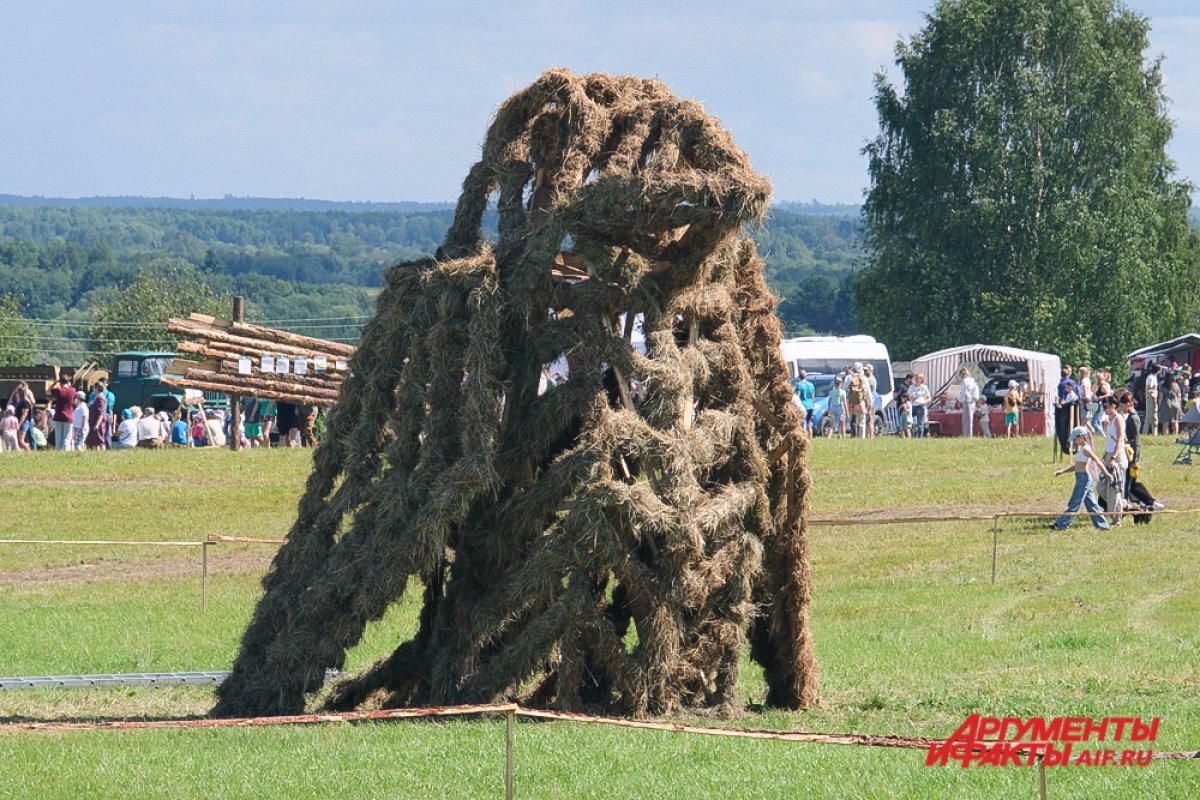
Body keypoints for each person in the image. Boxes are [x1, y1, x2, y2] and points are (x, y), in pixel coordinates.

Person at [1051, 426, 1113, 531]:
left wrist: (1107, 474)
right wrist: (1063, 471)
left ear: (1081, 437)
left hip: (1084, 478)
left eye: (1075, 439)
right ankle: (1103, 525)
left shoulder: (1086, 449)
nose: (1074, 441)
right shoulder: (1083, 450)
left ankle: (1061, 524)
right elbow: (1077, 466)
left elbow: (1097, 461)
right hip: (1081, 477)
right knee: (1091, 504)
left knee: (1075, 501)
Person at [1099, 396, 1127, 526]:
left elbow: (1120, 439)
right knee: (1101, 487)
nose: (1105, 407)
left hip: (1117, 456)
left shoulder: (1118, 418)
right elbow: (1111, 440)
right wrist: (1105, 455)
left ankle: (1117, 520)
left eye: (1106, 405)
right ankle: (1124, 505)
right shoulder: (1110, 420)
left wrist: (1114, 457)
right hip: (1109, 455)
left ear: (1113, 406)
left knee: (1114, 489)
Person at [1054, 366, 1079, 455]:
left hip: (1065, 410)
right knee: (1074, 427)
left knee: (1063, 429)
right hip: (1075, 408)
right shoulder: (1074, 382)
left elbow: (1061, 398)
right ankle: (1076, 446)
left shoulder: (1061, 384)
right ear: (1068, 373)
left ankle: (1066, 447)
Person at [49, 376, 76, 451]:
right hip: (68, 417)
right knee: (67, 438)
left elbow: (48, 391)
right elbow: (74, 399)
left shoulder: (58, 390)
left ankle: (58, 451)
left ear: (60, 383)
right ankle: (65, 452)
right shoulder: (72, 391)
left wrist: (54, 383)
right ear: (68, 382)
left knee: (58, 437)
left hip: (58, 416)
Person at [845, 362, 871, 439]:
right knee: (862, 421)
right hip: (860, 402)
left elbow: (844, 389)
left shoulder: (849, 377)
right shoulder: (864, 378)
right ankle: (861, 437)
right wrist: (869, 403)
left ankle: (850, 435)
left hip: (851, 402)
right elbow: (867, 392)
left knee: (850, 419)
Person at [1160, 371, 1182, 437]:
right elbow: (1179, 396)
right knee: (1175, 421)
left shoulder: (1162, 385)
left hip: (1166, 404)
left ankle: (1166, 437)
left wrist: (1159, 405)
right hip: (1176, 404)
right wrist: (1179, 404)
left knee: (1165, 422)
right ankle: (1175, 436)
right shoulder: (1176, 385)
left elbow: (1160, 397)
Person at [958, 367, 979, 438]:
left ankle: (966, 434)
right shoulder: (973, 381)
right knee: (970, 418)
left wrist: (959, 400)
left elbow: (964, 392)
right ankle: (970, 434)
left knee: (965, 419)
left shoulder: (965, 381)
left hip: (967, 401)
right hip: (972, 401)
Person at [909, 373, 931, 438]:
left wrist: (925, 402)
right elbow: (908, 397)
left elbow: (929, 397)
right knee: (909, 421)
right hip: (912, 406)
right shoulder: (911, 387)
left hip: (920, 406)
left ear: (922, 379)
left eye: (919, 378)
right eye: (917, 378)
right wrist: (912, 397)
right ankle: (910, 435)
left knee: (920, 423)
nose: (918, 379)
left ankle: (920, 438)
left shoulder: (924, 387)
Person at [13, 383, 34, 451]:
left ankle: (30, 453)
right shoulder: (21, 402)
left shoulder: (25, 402)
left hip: (24, 422)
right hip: (21, 422)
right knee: (19, 441)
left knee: (21, 441)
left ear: (20, 393)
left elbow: (24, 415)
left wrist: (19, 424)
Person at [793, 370, 815, 436]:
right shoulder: (811, 384)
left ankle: (804, 437)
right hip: (810, 406)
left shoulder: (799, 385)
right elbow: (813, 396)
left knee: (802, 423)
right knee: (809, 422)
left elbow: (797, 396)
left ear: (799, 376)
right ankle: (810, 437)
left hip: (803, 406)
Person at [1142, 363, 1160, 435]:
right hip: (1151, 398)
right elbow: (1150, 390)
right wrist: (1154, 399)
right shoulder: (1151, 378)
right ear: (1158, 370)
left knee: (1155, 418)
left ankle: (1154, 434)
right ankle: (1144, 433)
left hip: (1154, 398)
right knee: (1149, 417)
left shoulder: (1154, 377)